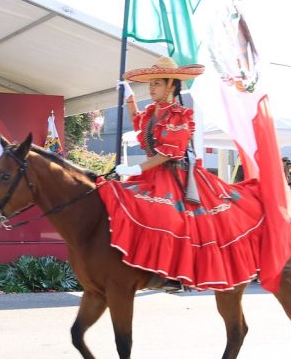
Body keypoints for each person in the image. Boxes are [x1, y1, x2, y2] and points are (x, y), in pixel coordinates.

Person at [101, 56, 271, 291]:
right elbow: (140, 124)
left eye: (157, 83)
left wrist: (135, 168)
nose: (151, 88)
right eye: (150, 84)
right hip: (152, 175)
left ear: (171, 85)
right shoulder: (152, 112)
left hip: (177, 176)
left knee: (169, 216)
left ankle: (172, 275)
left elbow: (167, 154)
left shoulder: (179, 115)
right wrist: (129, 99)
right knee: (120, 198)